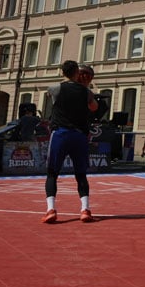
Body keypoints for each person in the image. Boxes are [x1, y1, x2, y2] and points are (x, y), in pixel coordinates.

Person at [41, 61, 99, 223]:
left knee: (52, 173)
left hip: (60, 134)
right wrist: (86, 87)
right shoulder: (86, 92)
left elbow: (50, 96)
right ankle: (85, 210)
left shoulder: (54, 88)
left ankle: (51, 209)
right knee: (81, 174)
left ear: (62, 72)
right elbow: (94, 107)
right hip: (79, 135)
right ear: (77, 73)